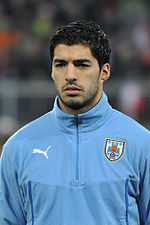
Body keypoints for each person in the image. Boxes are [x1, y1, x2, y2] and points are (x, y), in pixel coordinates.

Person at [0, 20, 150, 225]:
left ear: (104, 71)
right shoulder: (18, 148)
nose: (70, 75)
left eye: (81, 64)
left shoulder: (141, 144)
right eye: (61, 64)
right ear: (52, 71)